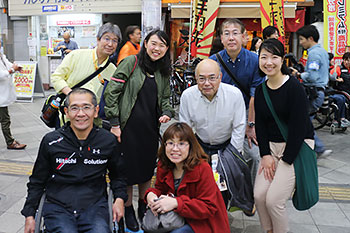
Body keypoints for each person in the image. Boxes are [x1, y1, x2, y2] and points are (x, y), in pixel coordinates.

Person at [21, 88, 127, 233]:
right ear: (66, 112)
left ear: (96, 111)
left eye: (86, 107)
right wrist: (30, 214)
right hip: (58, 207)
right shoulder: (51, 141)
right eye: (74, 108)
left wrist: (120, 199)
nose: (81, 114)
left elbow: (118, 176)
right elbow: (37, 181)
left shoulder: (108, 141)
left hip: (94, 206)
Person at [104, 29, 173, 231]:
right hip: (127, 129)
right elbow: (111, 93)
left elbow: (166, 98)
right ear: (145, 43)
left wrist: (167, 111)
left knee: (145, 170)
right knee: (126, 171)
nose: (157, 48)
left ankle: (144, 205)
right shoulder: (131, 63)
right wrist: (114, 124)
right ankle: (128, 209)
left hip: (150, 129)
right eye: (154, 43)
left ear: (166, 49)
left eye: (162, 45)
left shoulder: (162, 70)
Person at [254, 38, 315, 233]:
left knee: (273, 201)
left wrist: (286, 160)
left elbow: (299, 128)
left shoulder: (294, 89)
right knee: (259, 195)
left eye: (274, 57)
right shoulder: (261, 90)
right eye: (264, 57)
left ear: (282, 60)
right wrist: (265, 155)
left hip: (294, 148)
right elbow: (261, 125)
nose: (268, 62)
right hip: (271, 147)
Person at [179, 58, 246, 207]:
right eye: (201, 79)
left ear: (220, 77)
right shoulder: (187, 96)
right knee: (199, 185)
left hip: (226, 146)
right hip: (200, 143)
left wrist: (232, 157)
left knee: (222, 188)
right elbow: (185, 129)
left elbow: (239, 127)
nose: (207, 83)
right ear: (196, 79)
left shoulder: (234, 95)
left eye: (212, 78)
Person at [145, 122, 230, 233]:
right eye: (170, 143)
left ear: (190, 146)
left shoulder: (203, 168)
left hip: (203, 222)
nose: (175, 149)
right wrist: (151, 194)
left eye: (181, 144)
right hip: (175, 217)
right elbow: (161, 190)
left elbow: (209, 207)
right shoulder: (164, 164)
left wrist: (176, 203)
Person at [209, 18, 264, 186]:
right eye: (226, 34)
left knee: (254, 156)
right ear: (221, 38)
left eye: (235, 33)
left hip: (248, 112)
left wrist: (251, 124)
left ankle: (251, 195)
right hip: (220, 113)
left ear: (244, 37)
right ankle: (224, 193)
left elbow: (255, 94)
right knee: (219, 156)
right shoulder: (213, 61)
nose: (231, 38)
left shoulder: (255, 61)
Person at [51, 22, 121, 126]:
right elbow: (56, 77)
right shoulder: (76, 55)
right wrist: (71, 95)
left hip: (94, 123)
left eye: (114, 40)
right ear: (98, 39)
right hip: (69, 120)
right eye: (107, 39)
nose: (110, 44)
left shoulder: (112, 70)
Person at [292, 24, 332, 157]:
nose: (301, 42)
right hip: (320, 91)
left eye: (302, 39)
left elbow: (312, 76)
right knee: (305, 120)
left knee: (302, 121)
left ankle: (318, 148)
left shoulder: (314, 54)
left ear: (310, 38)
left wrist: (299, 75)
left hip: (314, 92)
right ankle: (314, 148)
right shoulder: (323, 52)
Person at [0, 41, 26, 150]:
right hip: (0, 96)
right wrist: (12, 70)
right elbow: (1, 75)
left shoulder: (1, 55)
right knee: (5, 120)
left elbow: (7, 64)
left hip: (3, 95)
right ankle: (10, 142)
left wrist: (16, 67)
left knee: (5, 119)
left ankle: (10, 141)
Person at [329, 52, 350, 127]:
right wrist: (337, 79)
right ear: (343, 60)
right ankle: (340, 119)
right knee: (342, 98)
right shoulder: (339, 68)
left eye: (349, 60)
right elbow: (332, 77)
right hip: (341, 91)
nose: (348, 62)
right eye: (346, 60)